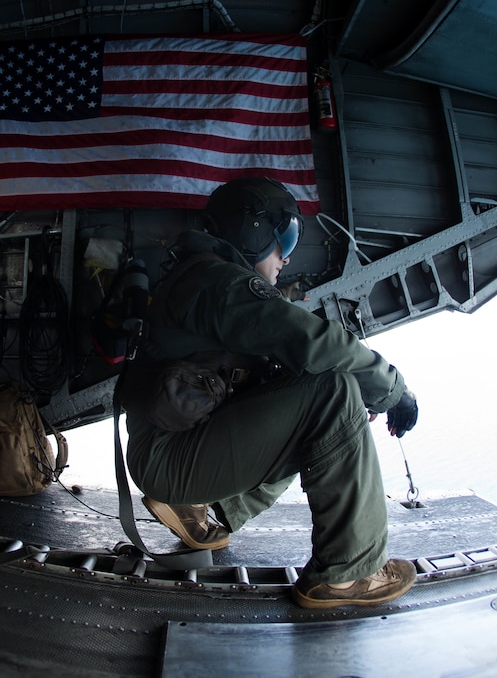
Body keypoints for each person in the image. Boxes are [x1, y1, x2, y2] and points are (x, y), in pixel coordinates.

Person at [122, 178, 419, 609]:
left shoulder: (203, 276)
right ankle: (350, 572)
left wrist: (350, 414)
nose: (287, 256)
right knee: (332, 392)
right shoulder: (220, 283)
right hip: (171, 458)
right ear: (254, 232)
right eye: (285, 238)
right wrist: (394, 392)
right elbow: (318, 344)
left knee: (316, 400)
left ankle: (209, 511)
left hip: (172, 451)